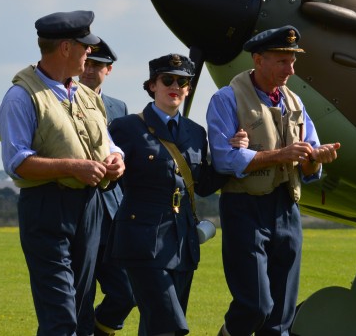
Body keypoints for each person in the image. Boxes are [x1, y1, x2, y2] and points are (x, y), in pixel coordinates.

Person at [0, 10, 126, 335]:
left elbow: (109, 144)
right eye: (85, 47)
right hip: (46, 208)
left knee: (81, 313)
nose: (90, 53)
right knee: (61, 318)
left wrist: (116, 160)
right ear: (66, 48)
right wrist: (73, 167)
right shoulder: (20, 97)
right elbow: (17, 162)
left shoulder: (85, 96)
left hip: (90, 207)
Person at [206, 26, 341, 336]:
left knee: (280, 318)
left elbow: (308, 162)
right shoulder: (226, 99)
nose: (290, 69)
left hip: (287, 210)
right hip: (244, 208)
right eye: (282, 61)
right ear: (258, 60)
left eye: (293, 61)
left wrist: (315, 158)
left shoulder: (295, 102)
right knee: (255, 306)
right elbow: (225, 160)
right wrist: (281, 155)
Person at [106, 53, 247, 336]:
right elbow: (111, 180)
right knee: (170, 325)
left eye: (182, 81)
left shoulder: (196, 133)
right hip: (142, 242)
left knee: (156, 327)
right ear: (152, 86)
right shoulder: (127, 128)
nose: (175, 86)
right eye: (167, 79)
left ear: (189, 88)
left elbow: (204, 184)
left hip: (183, 244)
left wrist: (234, 154)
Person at [78, 38, 137, 336]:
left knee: (127, 291)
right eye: (87, 63)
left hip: (113, 212)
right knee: (80, 294)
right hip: (78, 208)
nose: (89, 71)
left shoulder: (119, 107)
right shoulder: (62, 99)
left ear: (109, 70)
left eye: (97, 66)